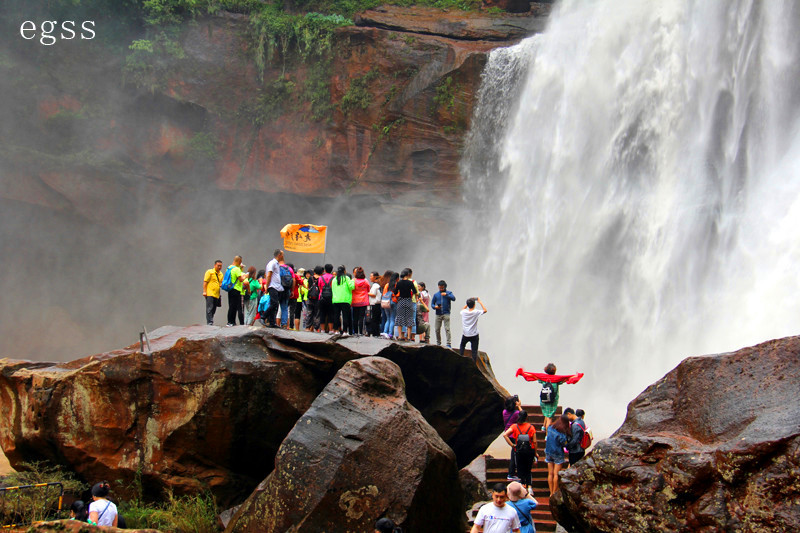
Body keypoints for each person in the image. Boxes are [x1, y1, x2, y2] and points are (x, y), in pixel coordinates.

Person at [503, 410, 538, 492]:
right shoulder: (531, 427)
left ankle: (523, 485)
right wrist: (535, 452)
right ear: (526, 417)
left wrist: (512, 445)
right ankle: (529, 487)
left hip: (519, 450)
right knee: (528, 470)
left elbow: (505, 435)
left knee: (520, 469)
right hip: (529, 451)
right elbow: (535, 441)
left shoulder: (515, 426)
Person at [545, 413, 571, 495]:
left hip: (548, 452)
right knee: (556, 474)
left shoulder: (550, 428)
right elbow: (564, 444)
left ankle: (550, 492)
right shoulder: (561, 433)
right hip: (558, 453)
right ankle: (554, 492)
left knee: (550, 473)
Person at [502, 395, 523, 481]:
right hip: (514, 435)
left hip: (507, 433)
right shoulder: (516, 413)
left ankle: (513, 473)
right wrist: (519, 406)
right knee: (514, 455)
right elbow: (523, 415)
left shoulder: (504, 412)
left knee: (514, 453)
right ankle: (511, 474)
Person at [460, 297, 487, 361]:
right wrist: (480, 302)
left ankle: (460, 357)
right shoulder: (476, 312)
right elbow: (485, 310)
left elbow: (462, 309)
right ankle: (473, 364)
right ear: (474, 305)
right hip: (474, 335)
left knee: (462, 346)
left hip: (465, 334)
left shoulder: (463, 312)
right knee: (474, 351)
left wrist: (467, 304)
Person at [394, 268, 418, 341]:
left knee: (400, 318)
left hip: (401, 301)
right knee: (409, 318)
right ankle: (408, 337)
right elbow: (415, 291)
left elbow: (395, 292)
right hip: (408, 301)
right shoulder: (410, 283)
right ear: (408, 275)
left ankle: (400, 336)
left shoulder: (399, 283)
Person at [263, 250, 285, 327]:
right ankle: (263, 316)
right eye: (282, 255)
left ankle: (272, 322)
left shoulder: (276, 264)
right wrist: (267, 286)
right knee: (274, 303)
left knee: (275, 305)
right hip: (272, 286)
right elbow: (269, 275)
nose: (283, 256)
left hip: (277, 286)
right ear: (279, 255)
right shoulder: (272, 263)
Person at [431, 280, 456, 347]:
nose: (441, 289)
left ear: (445, 287)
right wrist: (435, 307)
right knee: (437, 329)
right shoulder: (436, 295)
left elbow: (454, 298)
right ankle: (438, 343)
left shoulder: (449, 293)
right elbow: (432, 304)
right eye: (440, 288)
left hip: (446, 313)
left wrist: (447, 294)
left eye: (442, 288)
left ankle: (448, 343)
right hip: (438, 313)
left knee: (447, 328)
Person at [332, 265, 355, 334]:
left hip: (336, 300)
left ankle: (336, 331)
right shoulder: (346, 278)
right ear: (344, 271)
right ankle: (345, 331)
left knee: (336, 316)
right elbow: (352, 287)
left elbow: (332, 289)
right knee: (345, 316)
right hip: (345, 300)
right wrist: (352, 281)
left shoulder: (334, 279)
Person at [226, 256, 248, 327]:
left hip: (230, 288)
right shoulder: (237, 269)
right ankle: (231, 322)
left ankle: (231, 321)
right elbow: (241, 279)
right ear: (239, 261)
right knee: (234, 306)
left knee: (231, 305)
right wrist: (246, 276)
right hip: (236, 289)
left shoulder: (229, 267)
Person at [539, 363, 561, 433]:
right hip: (552, 400)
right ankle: (547, 436)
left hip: (544, 398)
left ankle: (543, 426)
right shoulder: (556, 380)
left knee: (547, 413)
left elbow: (538, 379)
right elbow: (563, 380)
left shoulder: (544, 379)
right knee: (549, 417)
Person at [202, 260, 223, 326]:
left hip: (216, 294)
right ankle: (209, 322)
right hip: (210, 293)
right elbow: (205, 282)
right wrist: (204, 291)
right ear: (214, 265)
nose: (219, 267)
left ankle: (211, 320)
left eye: (220, 266)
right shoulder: (209, 272)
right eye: (218, 265)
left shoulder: (221, 274)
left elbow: (221, 282)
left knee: (214, 308)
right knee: (209, 308)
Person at [318, 264, 335, 333]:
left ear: (324, 270)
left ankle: (322, 330)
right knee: (331, 313)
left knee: (322, 313)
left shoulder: (321, 277)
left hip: (322, 297)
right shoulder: (334, 278)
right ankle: (331, 330)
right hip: (331, 297)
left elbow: (319, 287)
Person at [381, 271, 399, 339]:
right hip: (393, 302)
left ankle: (385, 332)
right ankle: (390, 334)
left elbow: (384, 294)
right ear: (397, 278)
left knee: (388, 319)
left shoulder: (387, 285)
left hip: (386, 302)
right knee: (392, 319)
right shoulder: (396, 285)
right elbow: (398, 294)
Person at [306, 266, 323, 331]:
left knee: (309, 313)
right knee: (317, 313)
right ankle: (317, 328)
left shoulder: (310, 278)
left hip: (310, 298)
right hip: (318, 298)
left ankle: (307, 327)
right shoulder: (321, 278)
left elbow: (308, 287)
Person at [368, 271, 382, 336]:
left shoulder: (375, 285)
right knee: (376, 319)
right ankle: (376, 332)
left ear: (375, 277)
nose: (370, 277)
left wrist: (366, 293)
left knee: (374, 319)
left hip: (375, 304)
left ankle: (375, 333)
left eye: (371, 276)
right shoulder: (377, 285)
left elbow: (373, 294)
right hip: (377, 304)